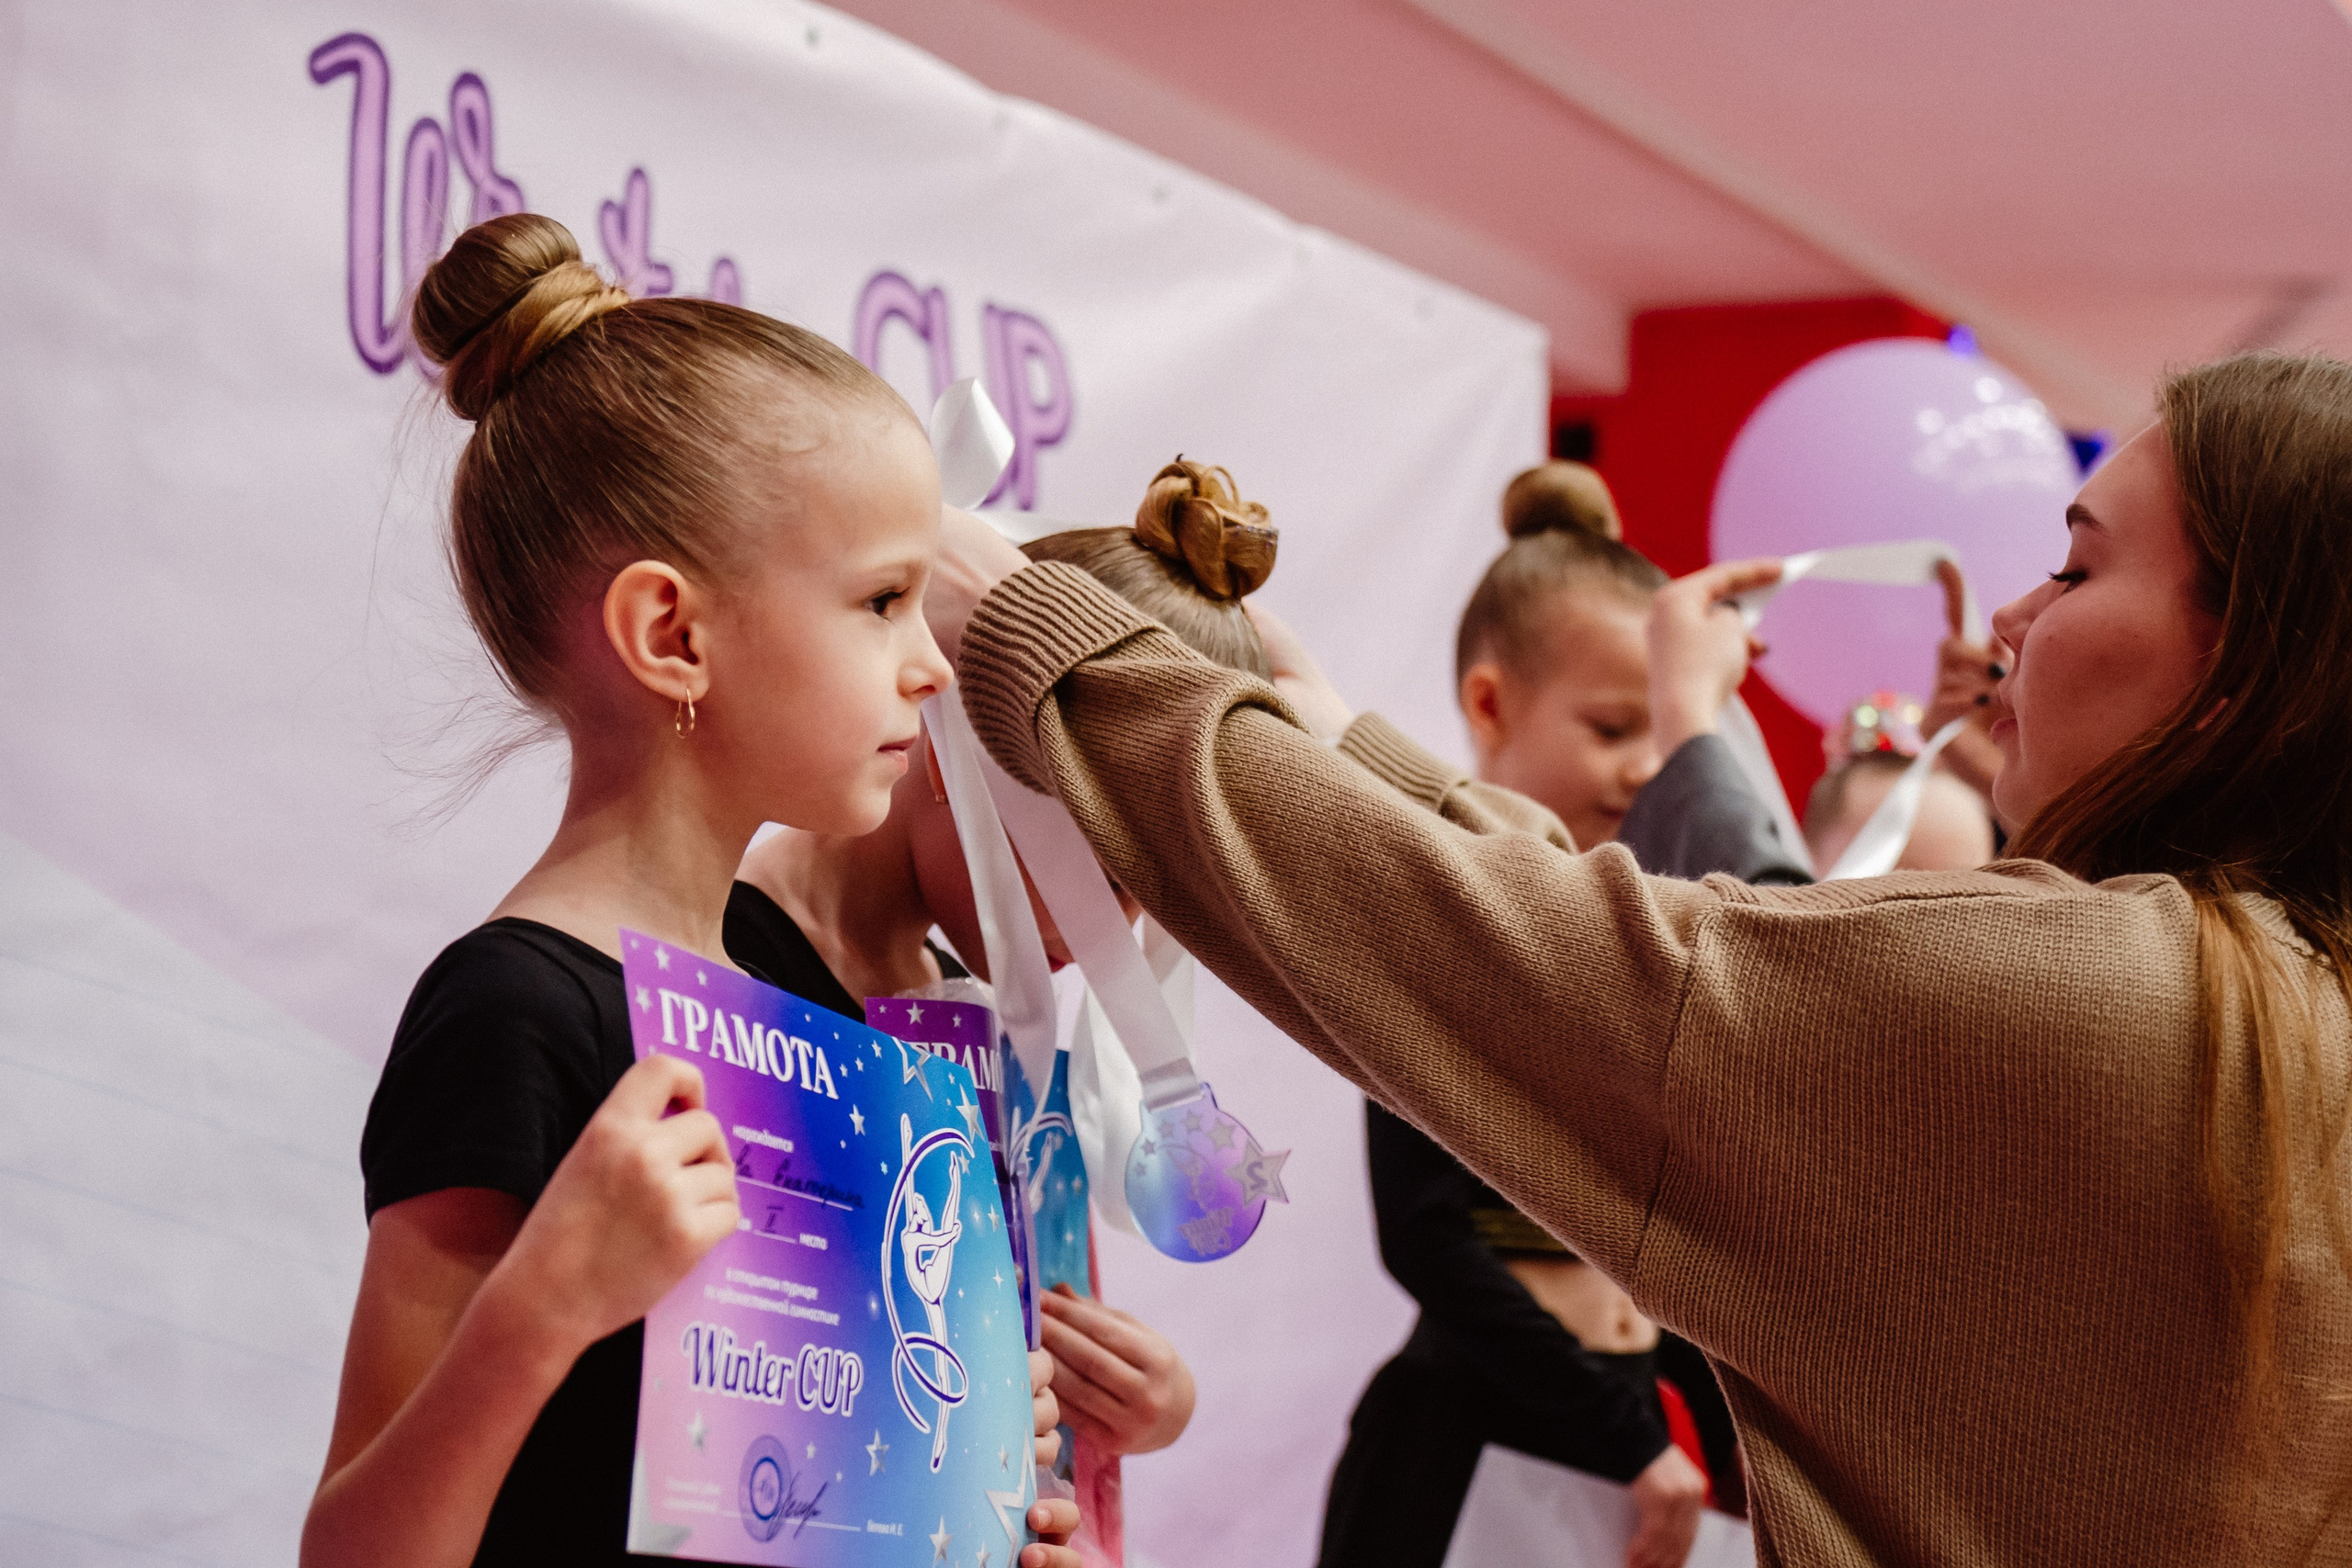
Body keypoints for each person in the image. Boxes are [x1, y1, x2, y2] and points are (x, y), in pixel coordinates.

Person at [923, 351, 2352, 1562]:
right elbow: (1611, 961)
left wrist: (1039, 637)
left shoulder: (2111, 1001)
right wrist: (1345, 745)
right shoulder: (2290, 1003)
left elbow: (1569, 968)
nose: (2014, 622)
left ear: (2248, 676)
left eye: (2076, 565)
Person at [305, 214, 1080, 1568]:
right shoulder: (513, 1013)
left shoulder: (806, 1007)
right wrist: (544, 1305)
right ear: (671, 632)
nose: (930, 666)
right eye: (881, 601)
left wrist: (973, 1491)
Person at [729, 458, 1259, 1565]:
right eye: (1095, 871)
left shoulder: (983, 1022)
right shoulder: (732, 982)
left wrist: (1137, 1405)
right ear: (957, 745)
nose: (1109, 937)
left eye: (1149, 898)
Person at [1317, 480, 1728, 1568]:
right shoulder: (1431, 925)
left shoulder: (1646, 935)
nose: (1645, 767)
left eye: (1664, 732)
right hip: (1464, 1450)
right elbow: (1426, 1237)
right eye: (1610, 728)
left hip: (1625, 1453)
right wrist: (1629, 1439)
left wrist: (1720, 1435)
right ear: (1489, 705)